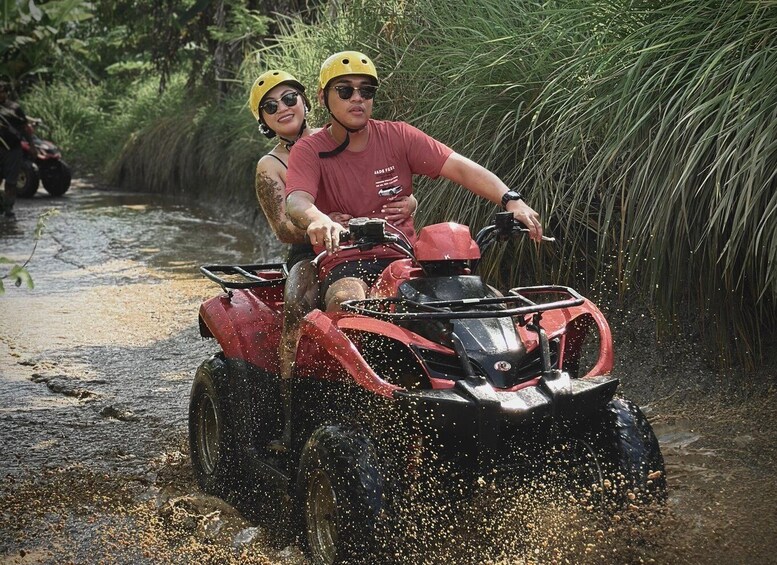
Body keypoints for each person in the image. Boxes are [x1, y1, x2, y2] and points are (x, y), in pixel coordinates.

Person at [285, 50, 543, 312]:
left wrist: (512, 200)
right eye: (344, 91)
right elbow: (296, 200)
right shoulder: (308, 150)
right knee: (345, 300)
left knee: (486, 300)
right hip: (346, 262)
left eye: (367, 91)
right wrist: (319, 219)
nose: (357, 98)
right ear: (322, 97)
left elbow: (462, 168)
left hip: (406, 258)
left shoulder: (399, 135)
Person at [248, 69, 417, 450]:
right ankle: (290, 418)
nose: (283, 109)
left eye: (290, 98)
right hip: (311, 251)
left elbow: (380, 185)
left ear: (308, 100)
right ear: (264, 120)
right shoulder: (270, 166)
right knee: (297, 304)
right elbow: (282, 227)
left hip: (372, 245)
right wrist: (319, 226)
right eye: (270, 107)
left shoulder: (339, 137)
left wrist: (411, 201)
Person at [0, 81, 34, 219]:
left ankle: (9, 208)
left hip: (13, 150)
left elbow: (25, 128)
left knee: (11, 181)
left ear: (6, 92)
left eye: (2, 91)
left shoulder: (15, 108)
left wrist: (32, 146)